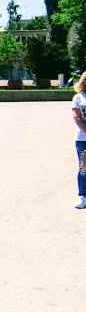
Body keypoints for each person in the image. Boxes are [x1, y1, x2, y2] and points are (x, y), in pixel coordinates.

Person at [72, 71, 86, 209]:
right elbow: (76, 117)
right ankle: (82, 196)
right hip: (83, 139)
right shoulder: (78, 97)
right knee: (84, 167)